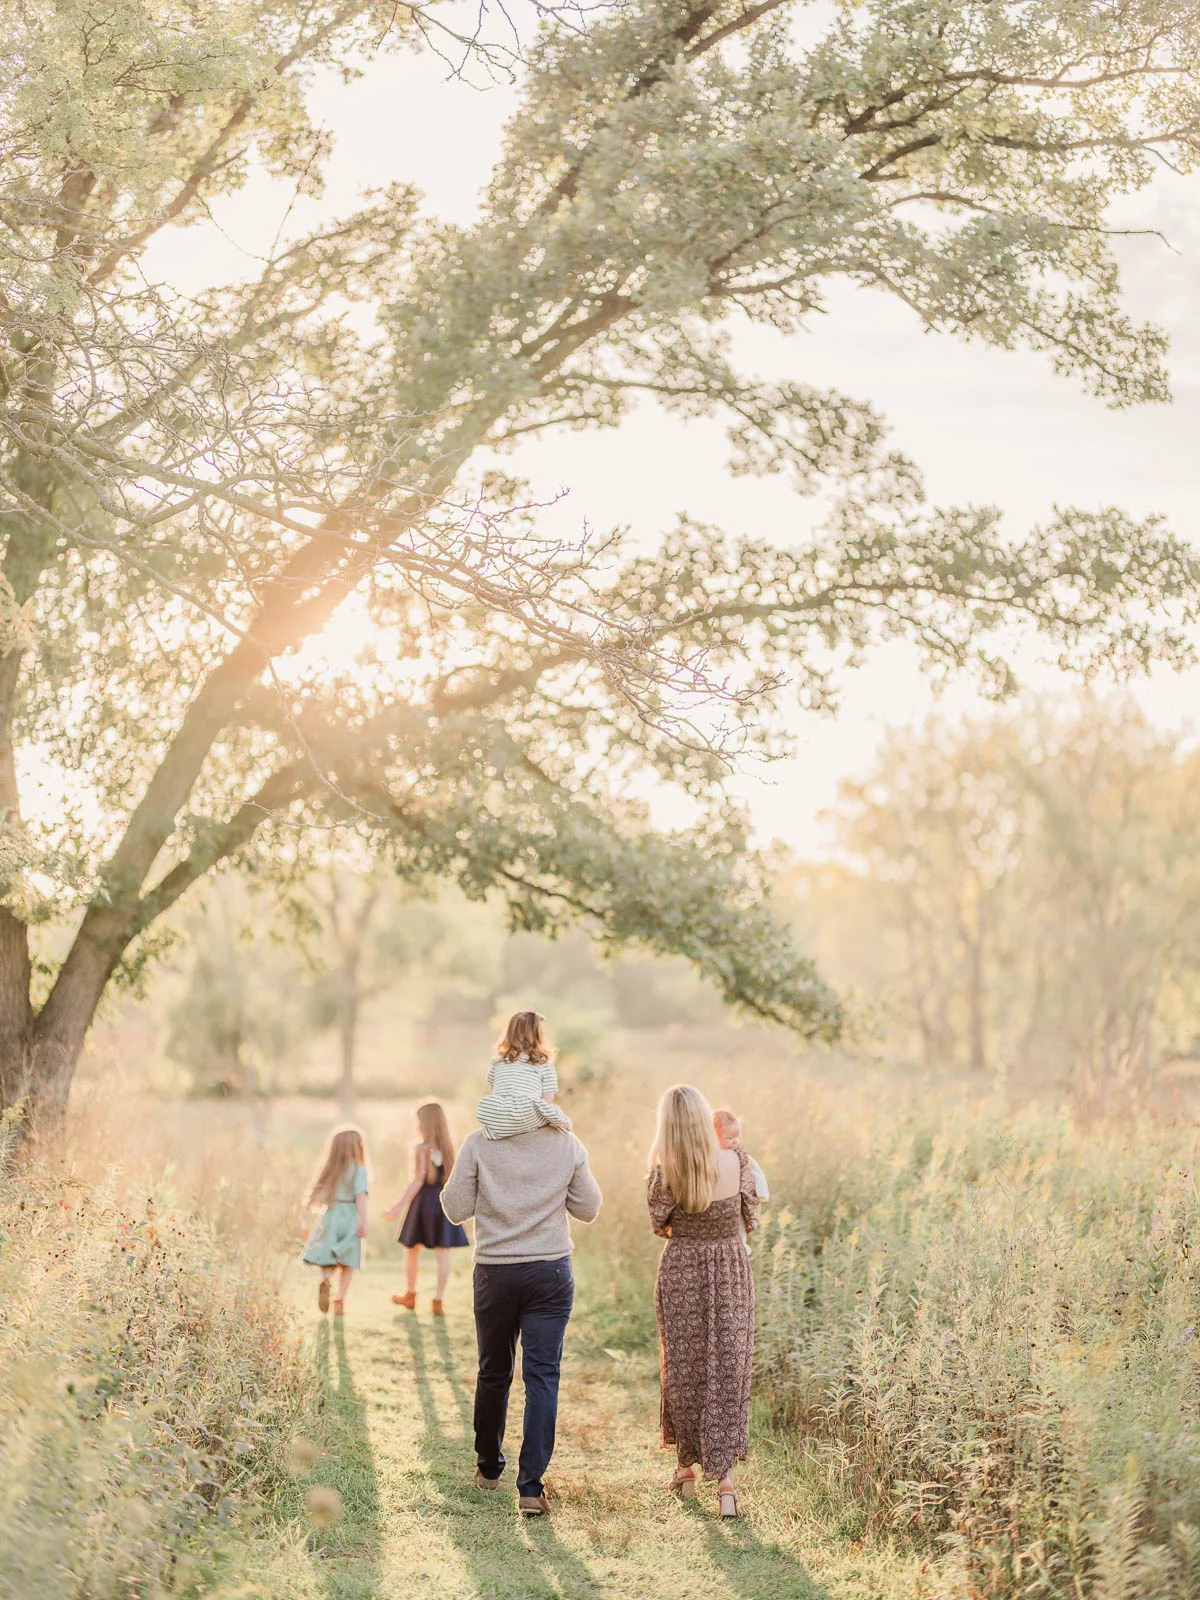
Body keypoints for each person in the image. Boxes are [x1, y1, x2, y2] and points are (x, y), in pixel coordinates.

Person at [441, 1098, 602, 1516]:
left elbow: (455, 1209)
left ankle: (488, 1469)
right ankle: (531, 1488)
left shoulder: (478, 1142)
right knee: (542, 1376)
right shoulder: (566, 1143)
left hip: (496, 1271)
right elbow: (588, 1208)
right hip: (549, 1271)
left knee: (493, 1371)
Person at [648, 1085, 760, 1518]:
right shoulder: (739, 1161)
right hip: (731, 1272)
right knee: (729, 1365)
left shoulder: (665, 1171)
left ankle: (686, 1469)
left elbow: (660, 1223)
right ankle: (727, 1483)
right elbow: (751, 1217)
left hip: (681, 1270)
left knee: (683, 1365)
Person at [382, 1101, 469, 1315]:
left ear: (424, 1123)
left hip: (423, 1203)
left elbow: (417, 1181)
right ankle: (438, 1299)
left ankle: (410, 1294)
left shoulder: (421, 1148)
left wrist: (396, 1207)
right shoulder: (450, 1149)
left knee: (412, 1249)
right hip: (443, 1202)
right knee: (443, 1252)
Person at [301, 1123, 370, 1316]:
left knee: (328, 1258)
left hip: (330, 1216)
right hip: (350, 1216)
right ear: (358, 1146)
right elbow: (361, 1197)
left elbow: (311, 1195)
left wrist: (304, 1219)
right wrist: (364, 1222)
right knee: (348, 1259)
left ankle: (326, 1279)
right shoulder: (359, 1170)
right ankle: (339, 1300)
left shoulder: (330, 1169)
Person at [476, 1009, 572, 1140]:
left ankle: (500, 1129)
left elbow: (493, 1092)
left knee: (490, 1105)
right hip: (526, 1114)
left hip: (498, 1115)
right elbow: (547, 1099)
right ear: (539, 1036)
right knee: (554, 1111)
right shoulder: (544, 1064)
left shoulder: (497, 1062)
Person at [712, 1106, 771, 1237]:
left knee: (739, 1225)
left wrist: (760, 1192)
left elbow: (755, 1171)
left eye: (737, 1137)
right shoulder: (709, 1157)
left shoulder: (740, 1156)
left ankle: (742, 1244)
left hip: (737, 1201)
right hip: (717, 1204)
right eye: (729, 1138)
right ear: (713, 1137)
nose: (735, 1141)